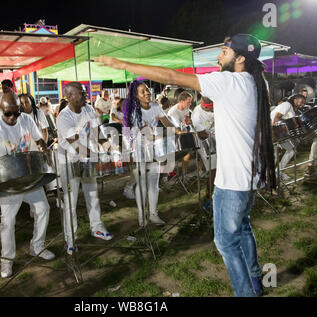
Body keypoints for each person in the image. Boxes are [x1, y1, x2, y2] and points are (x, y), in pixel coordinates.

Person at [96, 33, 277, 297]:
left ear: (240, 59)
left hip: (233, 181)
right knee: (244, 227)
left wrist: (122, 64)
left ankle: (246, 293)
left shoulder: (228, 81)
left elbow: (170, 77)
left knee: (226, 243)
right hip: (250, 175)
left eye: (224, 52)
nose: (218, 57)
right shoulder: (255, 82)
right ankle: (255, 281)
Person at [0, 92, 55, 278]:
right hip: (9, 181)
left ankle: (37, 246)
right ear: (1, 110)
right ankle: (7, 261)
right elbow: (2, 162)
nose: (13, 118)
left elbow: (38, 139)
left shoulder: (25, 119)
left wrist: (44, 147)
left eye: (16, 113)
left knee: (43, 208)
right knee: (7, 221)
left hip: (29, 176)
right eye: (8, 114)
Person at [56, 82, 113, 255]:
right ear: (69, 97)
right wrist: (97, 156)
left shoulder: (88, 110)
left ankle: (96, 227)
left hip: (87, 159)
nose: (85, 95)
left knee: (92, 194)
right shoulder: (63, 117)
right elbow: (76, 144)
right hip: (69, 161)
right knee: (71, 202)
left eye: (84, 92)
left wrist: (109, 146)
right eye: (81, 93)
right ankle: (70, 239)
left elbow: (96, 133)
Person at [121, 80, 178, 226]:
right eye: (143, 91)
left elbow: (167, 123)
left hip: (155, 148)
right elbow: (138, 132)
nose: (147, 93)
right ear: (136, 96)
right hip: (141, 149)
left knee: (153, 182)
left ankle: (153, 214)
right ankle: (142, 214)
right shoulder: (134, 111)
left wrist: (176, 130)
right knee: (142, 183)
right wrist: (153, 135)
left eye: (147, 90)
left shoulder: (155, 106)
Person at [270, 94, 306, 180]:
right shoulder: (287, 105)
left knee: (276, 154)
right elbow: (276, 118)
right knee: (290, 150)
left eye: (304, 103)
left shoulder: (291, 108)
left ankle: (274, 174)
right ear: (295, 99)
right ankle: (276, 173)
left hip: (277, 132)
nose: (303, 104)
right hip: (275, 132)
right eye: (302, 102)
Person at [191, 96, 216, 206]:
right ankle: (208, 198)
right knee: (213, 170)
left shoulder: (214, 107)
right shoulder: (197, 115)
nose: (213, 111)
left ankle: (217, 195)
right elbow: (201, 135)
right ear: (205, 107)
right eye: (211, 109)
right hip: (206, 143)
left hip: (216, 140)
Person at [167, 91, 193, 176]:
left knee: (187, 153)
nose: (190, 103)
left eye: (190, 102)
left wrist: (189, 121)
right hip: (173, 134)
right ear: (181, 101)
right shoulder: (173, 112)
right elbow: (177, 130)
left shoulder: (186, 109)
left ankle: (184, 174)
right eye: (188, 102)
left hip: (182, 131)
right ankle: (169, 174)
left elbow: (187, 119)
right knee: (174, 157)